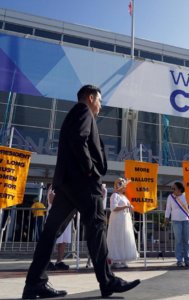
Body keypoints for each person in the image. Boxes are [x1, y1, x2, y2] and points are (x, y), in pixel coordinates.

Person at [22, 85, 140, 299]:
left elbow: (75, 142)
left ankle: (34, 283)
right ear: (91, 97)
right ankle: (107, 281)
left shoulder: (74, 114)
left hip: (67, 184)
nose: (100, 107)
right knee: (96, 227)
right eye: (100, 101)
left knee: (51, 232)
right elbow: (79, 139)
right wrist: (91, 172)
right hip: (83, 183)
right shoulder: (83, 111)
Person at [107, 178, 139, 268]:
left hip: (125, 219)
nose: (125, 188)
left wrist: (131, 207)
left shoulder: (124, 197)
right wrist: (125, 206)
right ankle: (116, 260)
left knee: (124, 238)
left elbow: (128, 207)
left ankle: (123, 259)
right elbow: (113, 208)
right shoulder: (114, 195)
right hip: (117, 220)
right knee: (117, 238)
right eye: (124, 186)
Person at [165, 181, 189, 267]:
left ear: (180, 189)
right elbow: (168, 208)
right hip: (176, 220)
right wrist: (166, 218)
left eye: (174, 188)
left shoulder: (186, 195)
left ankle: (188, 259)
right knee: (178, 241)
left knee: (186, 241)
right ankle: (179, 260)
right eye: (172, 189)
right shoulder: (170, 197)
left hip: (186, 220)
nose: (172, 190)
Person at [47, 185, 72, 271]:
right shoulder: (54, 186)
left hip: (66, 217)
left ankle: (59, 261)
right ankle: (47, 261)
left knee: (63, 241)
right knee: (52, 240)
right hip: (55, 216)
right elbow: (51, 200)